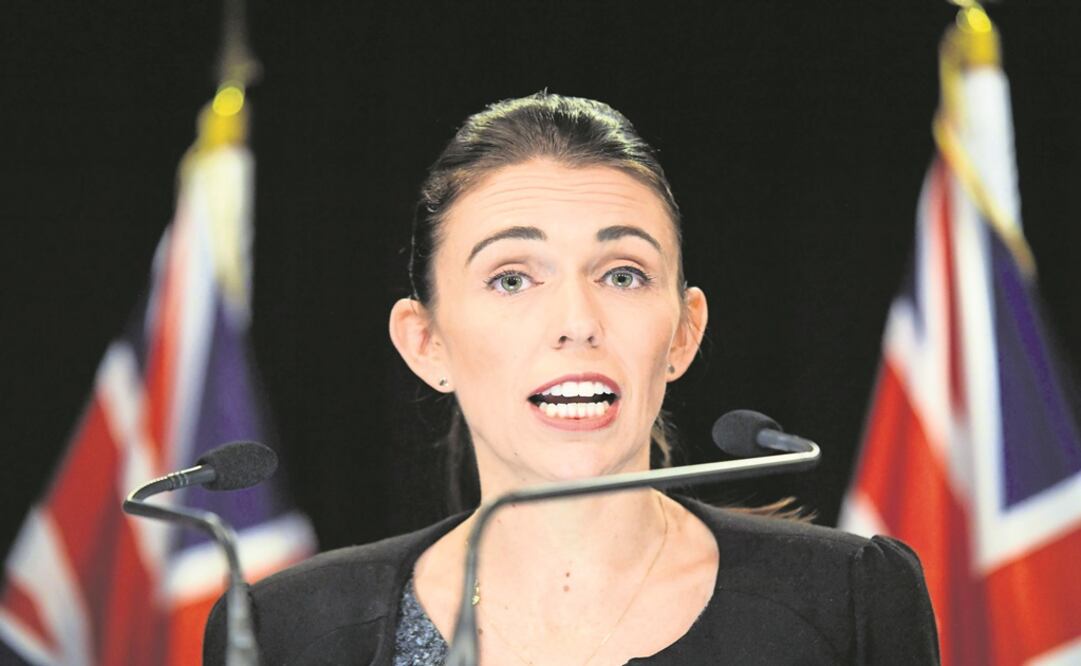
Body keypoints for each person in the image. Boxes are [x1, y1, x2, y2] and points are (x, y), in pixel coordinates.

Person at [204, 92, 939, 665]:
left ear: (683, 333)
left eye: (622, 274)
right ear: (425, 343)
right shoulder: (287, 630)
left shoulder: (848, 598)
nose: (577, 321)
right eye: (512, 279)